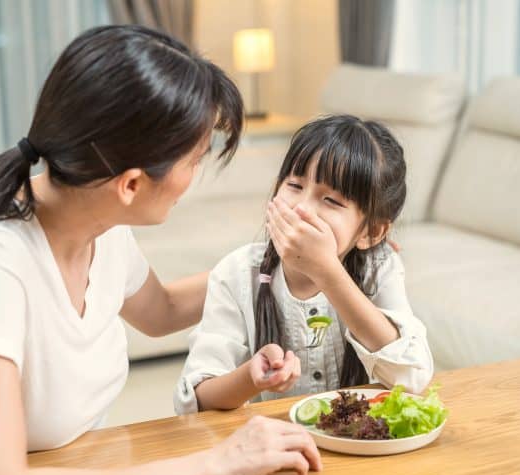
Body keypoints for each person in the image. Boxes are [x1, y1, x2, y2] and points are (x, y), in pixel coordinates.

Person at [0, 25, 321, 475]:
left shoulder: (100, 225)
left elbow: (161, 311)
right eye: (194, 160)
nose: (193, 178)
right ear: (131, 185)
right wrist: (215, 465)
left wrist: (274, 263)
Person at [174, 115, 434, 415]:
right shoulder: (236, 273)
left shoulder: (379, 268)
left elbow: (412, 376)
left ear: (371, 232)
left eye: (331, 200)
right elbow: (196, 401)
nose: (302, 207)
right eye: (295, 185)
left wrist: (327, 271)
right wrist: (251, 377)